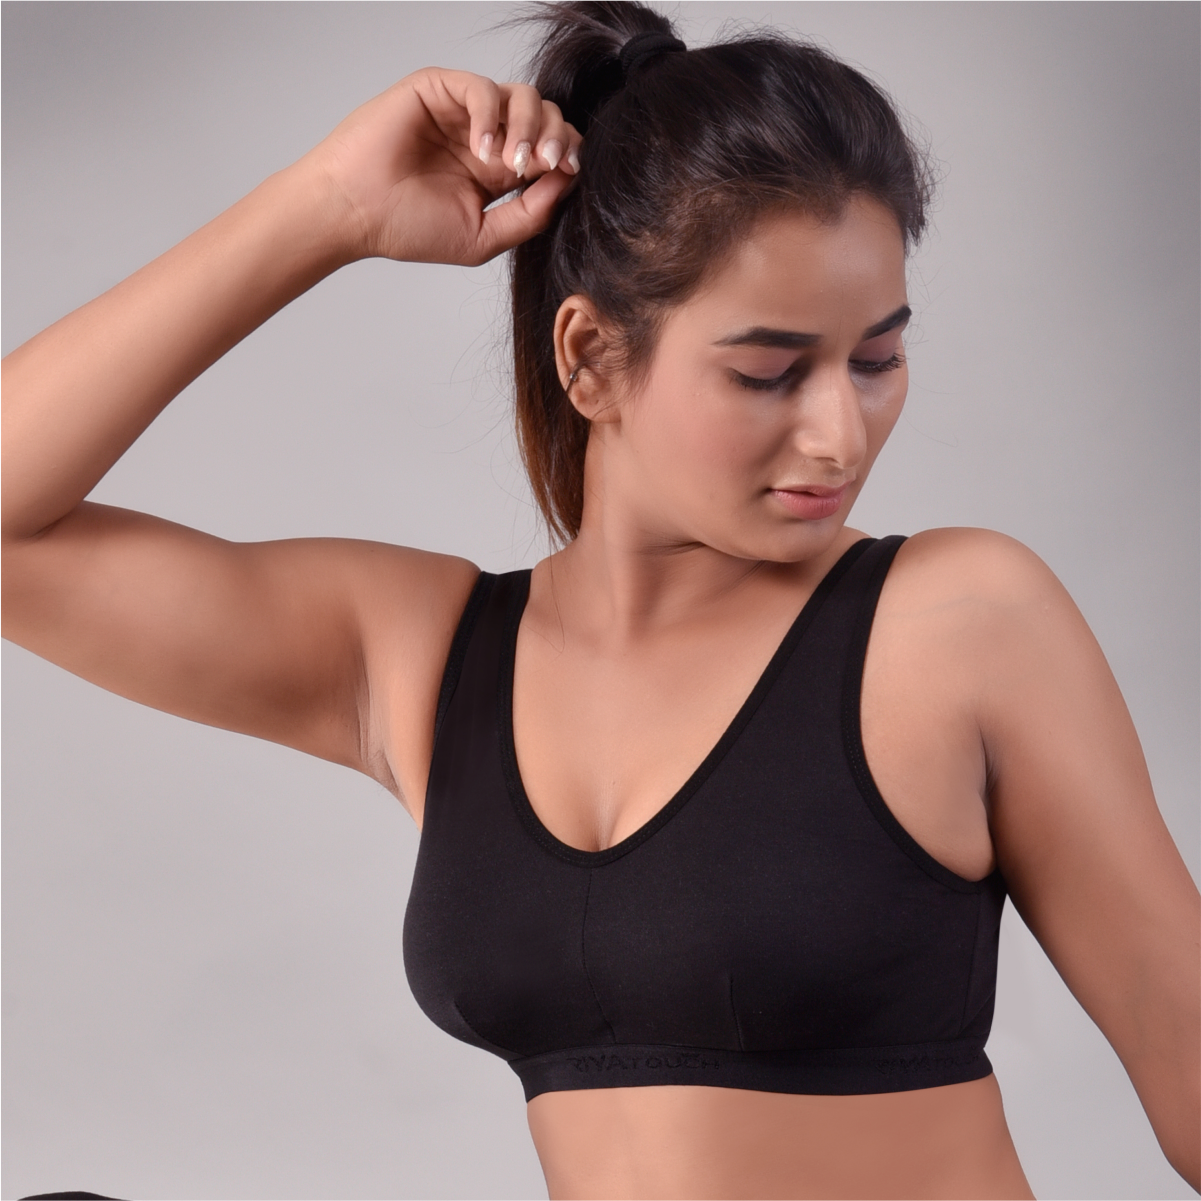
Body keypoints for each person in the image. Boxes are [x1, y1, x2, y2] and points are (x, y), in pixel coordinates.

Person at [2, 0, 1199, 1197]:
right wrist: (326, 205)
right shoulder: (426, 656)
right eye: (769, 371)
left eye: (876, 360)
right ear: (587, 357)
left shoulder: (954, 623)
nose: (840, 434)